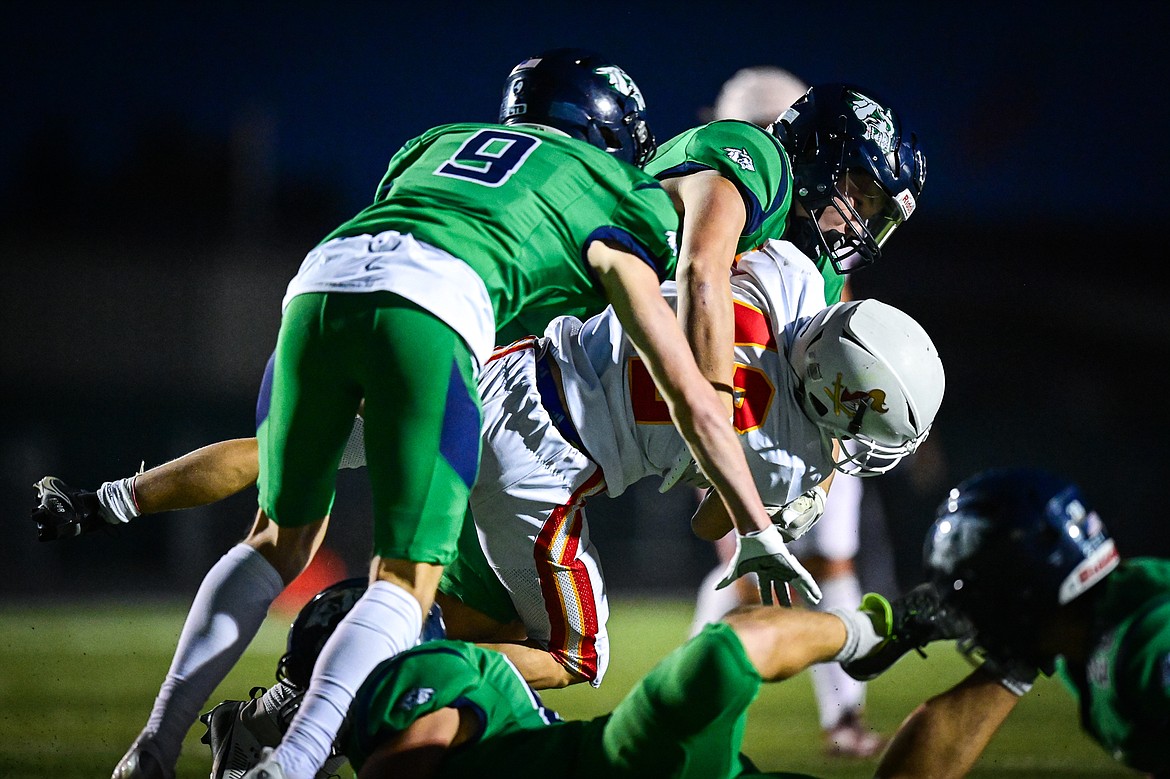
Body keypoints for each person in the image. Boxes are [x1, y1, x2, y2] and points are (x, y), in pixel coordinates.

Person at [102, 48, 804, 779]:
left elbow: (414, 227)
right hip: (432, 313)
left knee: (275, 539)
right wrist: (754, 521)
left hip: (316, 285)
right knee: (404, 581)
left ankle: (151, 746)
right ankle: (290, 765)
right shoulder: (618, 190)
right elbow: (691, 388)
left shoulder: (435, 141)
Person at [34, 240, 947, 777]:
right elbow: (715, 521)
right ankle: (348, 687)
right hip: (548, 463)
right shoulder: (784, 457)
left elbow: (711, 270)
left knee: (291, 459)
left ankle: (113, 499)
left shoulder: (790, 281)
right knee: (579, 654)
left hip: (502, 369)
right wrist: (793, 497)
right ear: (849, 399)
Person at [687, 66, 905, 757]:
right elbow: (704, 285)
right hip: (735, 387)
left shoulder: (812, 209)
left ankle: (842, 719)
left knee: (832, 559)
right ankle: (685, 709)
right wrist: (713, 404)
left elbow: (834, 305)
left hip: (809, 395)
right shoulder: (735, 183)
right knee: (743, 566)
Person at [233, 571, 899, 779]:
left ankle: (875, 630)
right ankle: (1006, 668)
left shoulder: (423, 668)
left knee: (727, 649)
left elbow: (405, 765)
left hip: (622, 768)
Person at [842, 467, 1170, 777]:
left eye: (978, 590)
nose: (970, 612)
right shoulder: (1081, 639)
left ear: (1030, 579)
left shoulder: (1148, 640)